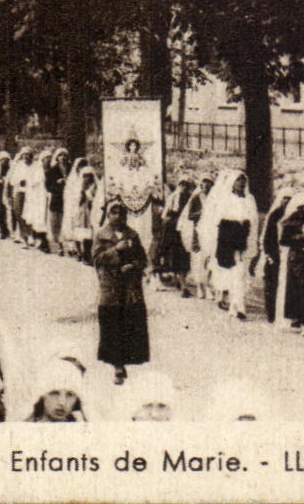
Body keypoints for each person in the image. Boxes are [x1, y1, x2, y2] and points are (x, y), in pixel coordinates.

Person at [93, 197, 150, 384]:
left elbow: (143, 259)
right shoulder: (101, 235)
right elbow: (96, 259)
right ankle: (117, 365)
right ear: (108, 215)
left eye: (121, 213)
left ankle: (124, 361)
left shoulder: (133, 235)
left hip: (129, 287)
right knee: (112, 324)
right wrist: (116, 250)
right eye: (114, 212)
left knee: (128, 324)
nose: (118, 216)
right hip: (110, 287)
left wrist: (133, 266)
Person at [208, 171, 257, 318]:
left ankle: (237, 305)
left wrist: (248, 235)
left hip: (245, 240)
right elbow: (220, 220)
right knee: (234, 274)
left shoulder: (249, 199)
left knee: (241, 274)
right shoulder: (227, 199)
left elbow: (253, 221)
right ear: (232, 183)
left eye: (243, 181)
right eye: (238, 181)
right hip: (229, 242)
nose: (241, 184)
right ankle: (237, 304)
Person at [276, 194, 304, 333]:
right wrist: (300, 237)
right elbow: (284, 240)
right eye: (301, 207)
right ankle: (298, 317)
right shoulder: (292, 220)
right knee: (297, 288)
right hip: (296, 257)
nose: (303, 210)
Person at [256, 190, 294, 323]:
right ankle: (271, 313)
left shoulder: (293, 214)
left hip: (288, 254)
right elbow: (267, 236)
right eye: (285, 198)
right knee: (272, 284)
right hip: (274, 253)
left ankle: (286, 314)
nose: (287, 201)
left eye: (290, 199)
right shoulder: (274, 215)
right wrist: (268, 254)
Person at [155, 177, 196, 291]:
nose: (184, 187)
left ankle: (181, 278)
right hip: (173, 228)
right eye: (182, 184)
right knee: (174, 253)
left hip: (186, 227)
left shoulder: (191, 198)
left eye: (186, 185)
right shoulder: (174, 197)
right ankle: (179, 279)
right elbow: (165, 213)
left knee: (185, 253)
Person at [26, 357, 88, 421]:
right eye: (54, 393)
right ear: (42, 395)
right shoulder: (23, 427)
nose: (62, 402)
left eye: (70, 395)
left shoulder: (82, 426)